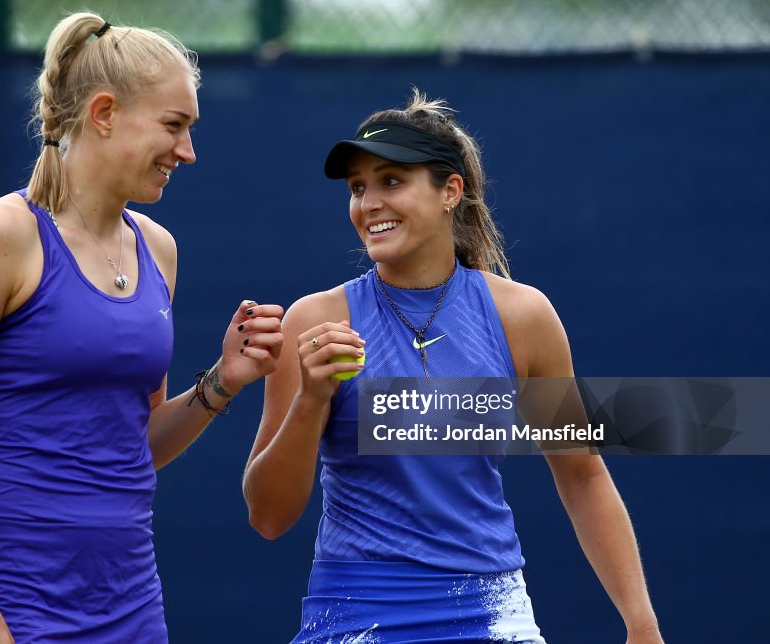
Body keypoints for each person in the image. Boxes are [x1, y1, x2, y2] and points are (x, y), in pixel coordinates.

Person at [0, 11, 283, 644]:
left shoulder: (158, 249)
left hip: (132, 603)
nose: (188, 151)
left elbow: (137, 445)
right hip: (11, 601)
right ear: (103, 113)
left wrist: (221, 382)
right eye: (174, 126)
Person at [242, 90, 663, 643]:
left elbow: (581, 474)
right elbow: (269, 517)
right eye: (357, 187)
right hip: (355, 614)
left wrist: (642, 624)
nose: (368, 203)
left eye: (391, 180)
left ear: (451, 191)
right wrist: (311, 400)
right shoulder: (315, 320)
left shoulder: (523, 316)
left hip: (494, 613)